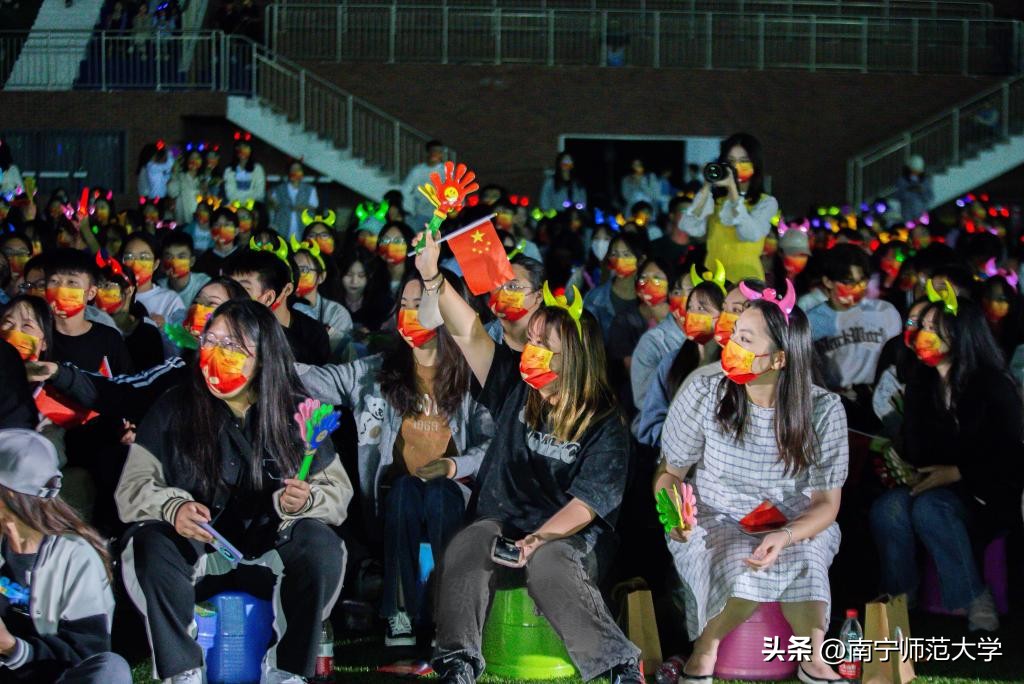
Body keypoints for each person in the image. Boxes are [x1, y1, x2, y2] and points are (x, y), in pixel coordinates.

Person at [412, 229, 641, 684]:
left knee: (549, 564)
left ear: (572, 357)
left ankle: (617, 663)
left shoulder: (604, 424)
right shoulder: (515, 389)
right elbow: (468, 331)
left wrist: (536, 540)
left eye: (543, 347)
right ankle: (457, 661)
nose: (529, 353)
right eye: (530, 341)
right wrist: (434, 277)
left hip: (570, 537)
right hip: (503, 520)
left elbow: (586, 505)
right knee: (467, 547)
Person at [117, 300, 351, 684]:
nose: (217, 354)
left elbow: (338, 493)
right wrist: (173, 508)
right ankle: (182, 669)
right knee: (148, 541)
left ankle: (288, 670)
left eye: (234, 346)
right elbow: (133, 487)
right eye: (212, 340)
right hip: (199, 557)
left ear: (264, 357)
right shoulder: (173, 406)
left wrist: (307, 500)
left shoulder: (299, 413)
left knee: (321, 543)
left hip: (272, 555)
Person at [657, 284, 848, 683]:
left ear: (779, 358)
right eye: (733, 336)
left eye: (745, 339)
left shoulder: (823, 410)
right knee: (738, 565)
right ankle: (704, 650)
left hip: (792, 521)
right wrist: (674, 513)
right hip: (714, 516)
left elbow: (827, 503)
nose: (730, 345)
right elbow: (670, 473)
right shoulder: (705, 392)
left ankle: (812, 657)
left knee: (806, 559)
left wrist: (788, 535)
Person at [298, 271, 492, 647]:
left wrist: (454, 466)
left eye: (419, 306)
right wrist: (263, 358)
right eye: (403, 305)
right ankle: (398, 613)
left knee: (439, 494)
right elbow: (318, 379)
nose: (408, 314)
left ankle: (447, 615)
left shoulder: (472, 375)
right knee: (404, 489)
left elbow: (491, 444)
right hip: (393, 497)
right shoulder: (375, 371)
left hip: (454, 495)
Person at [869, 288, 1023, 632]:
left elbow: (1011, 453)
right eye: (922, 326)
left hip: (985, 492)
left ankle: (974, 596)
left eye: (934, 329)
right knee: (888, 508)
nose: (923, 336)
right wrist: (903, 465)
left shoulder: (993, 384)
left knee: (931, 508)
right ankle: (898, 596)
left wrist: (957, 472)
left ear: (962, 333)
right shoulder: (921, 384)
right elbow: (918, 450)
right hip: (929, 485)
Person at [0, 429, 132, 684]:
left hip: (55, 676)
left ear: (12, 494)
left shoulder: (75, 557)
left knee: (111, 669)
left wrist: (13, 648)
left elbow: (86, 651)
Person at [806, 244, 902, 427]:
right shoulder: (813, 321)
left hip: (879, 405)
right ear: (828, 282)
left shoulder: (885, 313)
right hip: (835, 407)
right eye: (849, 282)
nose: (857, 288)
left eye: (862, 281)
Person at [634, 275, 733, 448]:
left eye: (702, 309)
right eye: (690, 308)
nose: (692, 315)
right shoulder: (671, 362)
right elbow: (650, 423)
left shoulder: (731, 370)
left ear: (723, 317)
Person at [680, 133, 779, 282]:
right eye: (730, 161)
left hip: (745, 279)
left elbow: (749, 234)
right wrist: (707, 185)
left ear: (755, 165)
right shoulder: (717, 201)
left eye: (744, 161)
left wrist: (733, 190)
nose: (736, 167)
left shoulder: (766, 203)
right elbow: (690, 227)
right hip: (713, 277)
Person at [630, 260, 721, 413]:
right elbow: (644, 401)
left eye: (692, 290)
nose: (686, 299)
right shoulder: (652, 342)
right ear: (669, 297)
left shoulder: (722, 343)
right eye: (678, 292)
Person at [223, 246, 330, 365]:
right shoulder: (221, 327)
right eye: (229, 287)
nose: (233, 295)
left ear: (270, 297)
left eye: (244, 288)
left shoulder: (313, 335)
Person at [44, 249, 133, 375]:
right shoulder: (38, 335)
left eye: (72, 282)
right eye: (54, 281)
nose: (62, 289)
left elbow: (126, 387)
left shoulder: (109, 339)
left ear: (91, 293)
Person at [607, 255, 675, 412]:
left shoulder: (681, 319)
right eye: (643, 278)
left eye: (657, 279)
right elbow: (635, 372)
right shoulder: (624, 321)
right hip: (636, 404)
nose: (649, 283)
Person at [94, 256, 165, 372]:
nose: (100, 292)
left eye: (107, 286)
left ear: (129, 290)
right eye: (99, 286)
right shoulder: (90, 324)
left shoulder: (147, 331)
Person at [290, 237, 352, 357]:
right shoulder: (281, 310)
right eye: (293, 269)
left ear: (321, 277)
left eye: (304, 270)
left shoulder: (337, 313)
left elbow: (343, 354)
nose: (297, 275)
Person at [583, 233, 646, 338]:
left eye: (626, 255)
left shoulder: (649, 299)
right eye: (614, 254)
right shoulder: (595, 298)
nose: (619, 260)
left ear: (641, 260)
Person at [119, 233, 186, 327]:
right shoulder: (109, 293)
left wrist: (166, 325)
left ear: (156, 264)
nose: (135, 264)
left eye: (144, 258)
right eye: (129, 257)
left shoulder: (170, 300)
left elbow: (182, 336)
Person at [483, 256, 544, 351]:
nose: (502, 292)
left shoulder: (559, 338)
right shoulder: (482, 335)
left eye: (512, 286)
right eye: (497, 284)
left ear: (539, 296)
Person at [158, 231, 212, 308]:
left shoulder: (204, 284)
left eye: (181, 257)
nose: (175, 262)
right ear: (162, 261)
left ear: (192, 261)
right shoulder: (158, 287)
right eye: (169, 257)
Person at [401, 141, 446, 231]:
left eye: (438, 151)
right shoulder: (417, 170)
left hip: (440, 216)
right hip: (419, 215)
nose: (435, 154)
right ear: (428, 152)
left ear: (441, 154)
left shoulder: (446, 172)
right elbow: (405, 190)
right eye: (433, 151)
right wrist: (411, 209)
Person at [269, 162, 319, 240]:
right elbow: (274, 207)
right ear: (289, 172)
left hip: (303, 228)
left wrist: (300, 208)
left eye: (298, 169)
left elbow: (314, 207)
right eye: (293, 169)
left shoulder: (310, 189)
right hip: (283, 228)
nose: (295, 172)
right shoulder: (279, 189)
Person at [193, 208, 240, 276]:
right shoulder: (203, 260)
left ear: (236, 231)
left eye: (227, 225)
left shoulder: (244, 259)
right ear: (211, 231)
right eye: (217, 225)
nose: (221, 229)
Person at [223, 138, 266, 204]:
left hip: (253, 204)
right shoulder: (229, 170)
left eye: (245, 147)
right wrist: (248, 194)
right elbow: (230, 194)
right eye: (240, 148)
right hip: (234, 203)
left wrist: (246, 199)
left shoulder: (258, 168)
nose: (242, 150)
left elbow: (260, 192)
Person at [893, 155, 933, 224]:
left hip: (921, 216)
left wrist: (921, 191)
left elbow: (930, 197)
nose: (915, 173)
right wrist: (909, 190)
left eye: (917, 171)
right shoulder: (902, 181)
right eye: (914, 170)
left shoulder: (925, 181)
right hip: (907, 216)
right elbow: (897, 196)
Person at [167, 151, 204, 228]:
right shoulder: (181, 176)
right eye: (192, 158)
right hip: (183, 222)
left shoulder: (202, 179)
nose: (194, 161)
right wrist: (175, 173)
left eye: (197, 158)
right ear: (187, 161)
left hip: (199, 222)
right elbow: (172, 192)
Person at [377, 222, 413, 298]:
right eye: (385, 240)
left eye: (398, 241)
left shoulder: (419, 278)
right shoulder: (372, 276)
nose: (390, 246)